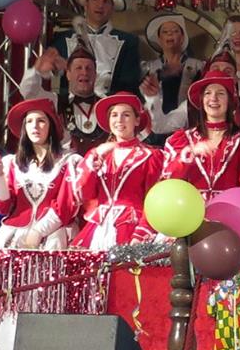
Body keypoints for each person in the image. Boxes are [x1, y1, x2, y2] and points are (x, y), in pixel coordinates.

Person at [70, 92, 168, 249]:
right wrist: (92, 161)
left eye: (126, 115)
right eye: (114, 115)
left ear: (137, 120)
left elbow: (155, 200)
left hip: (131, 227)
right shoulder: (98, 154)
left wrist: (142, 233)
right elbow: (81, 194)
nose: (119, 120)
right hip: (97, 228)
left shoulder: (151, 156)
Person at [0, 97, 80, 250]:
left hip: (54, 237)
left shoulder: (69, 162)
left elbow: (66, 207)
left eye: (41, 120)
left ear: (51, 126)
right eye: (29, 121)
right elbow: (3, 208)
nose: (34, 126)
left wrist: (38, 232)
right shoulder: (12, 163)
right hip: (14, 235)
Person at [164, 71, 240, 197]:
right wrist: (190, 154)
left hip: (230, 208)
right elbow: (167, 183)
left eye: (220, 93)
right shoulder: (182, 140)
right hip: (189, 208)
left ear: (230, 101)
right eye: (207, 93)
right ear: (202, 100)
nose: (213, 98)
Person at [52, 0, 143, 97]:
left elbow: (130, 83)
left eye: (106, 1)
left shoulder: (128, 42)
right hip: (69, 105)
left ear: (112, 8)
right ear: (86, 5)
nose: (100, 5)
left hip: (112, 105)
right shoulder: (62, 39)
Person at [138, 11, 203, 138]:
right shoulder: (148, 68)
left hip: (187, 129)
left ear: (182, 37)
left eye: (175, 31)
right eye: (165, 32)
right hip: (153, 132)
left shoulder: (198, 66)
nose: (170, 34)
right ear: (159, 39)